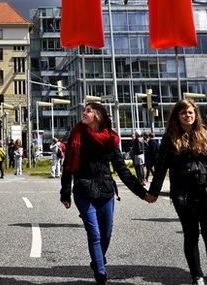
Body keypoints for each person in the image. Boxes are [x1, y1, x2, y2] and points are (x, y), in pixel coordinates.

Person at [147, 100, 207, 285]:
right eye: (184, 112)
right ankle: (197, 275)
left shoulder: (205, 134)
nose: (188, 115)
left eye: (191, 112)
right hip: (184, 196)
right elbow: (160, 167)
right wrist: (153, 192)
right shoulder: (170, 138)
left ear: (196, 114)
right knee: (191, 236)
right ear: (177, 116)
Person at [61, 101, 146, 284]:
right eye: (83, 110)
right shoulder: (76, 135)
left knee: (106, 234)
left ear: (98, 115)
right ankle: (101, 272)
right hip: (83, 190)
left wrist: (141, 192)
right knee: (94, 233)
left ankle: (97, 260)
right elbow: (67, 166)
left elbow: (122, 170)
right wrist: (65, 193)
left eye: (88, 111)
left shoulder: (110, 139)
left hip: (106, 191)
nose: (84, 113)